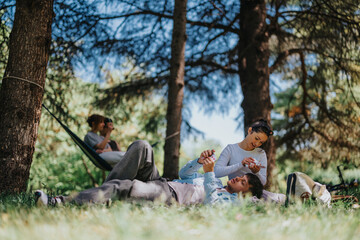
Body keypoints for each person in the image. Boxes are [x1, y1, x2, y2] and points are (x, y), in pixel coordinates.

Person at [35, 140, 263, 206]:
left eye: (242, 182)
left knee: (125, 187)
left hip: (170, 195)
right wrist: (199, 162)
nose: (237, 179)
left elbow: (211, 204)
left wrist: (210, 174)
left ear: (244, 194)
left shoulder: (226, 200)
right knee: (143, 146)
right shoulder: (214, 179)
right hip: (164, 181)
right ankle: (102, 197)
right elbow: (184, 174)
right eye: (241, 177)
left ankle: (58, 202)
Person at [214, 119, 273, 186]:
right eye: (256, 138)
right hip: (233, 191)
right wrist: (240, 164)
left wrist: (256, 173)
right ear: (250, 131)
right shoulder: (231, 149)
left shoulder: (261, 153)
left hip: (249, 194)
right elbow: (216, 172)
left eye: (261, 142)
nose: (257, 144)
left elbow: (263, 183)